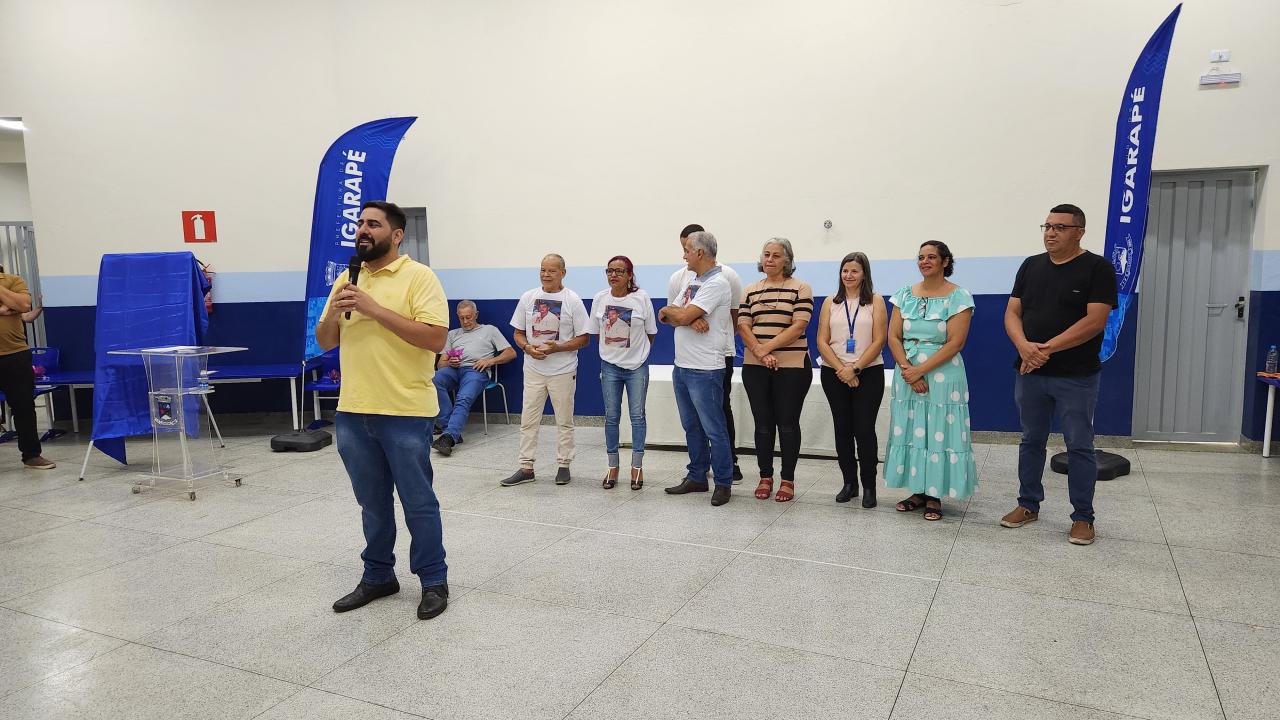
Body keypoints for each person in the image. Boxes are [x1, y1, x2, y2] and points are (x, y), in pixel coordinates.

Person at [316, 200, 450, 620]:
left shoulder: (420, 277)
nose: (362, 229)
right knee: (372, 504)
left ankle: (433, 580)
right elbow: (325, 341)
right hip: (354, 411)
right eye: (360, 223)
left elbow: (436, 339)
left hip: (405, 410)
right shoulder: (347, 278)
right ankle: (378, 576)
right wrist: (334, 312)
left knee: (418, 502)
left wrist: (374, 309)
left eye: (373, 224)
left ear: (396, 235)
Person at [1001, 204, 1117, 546]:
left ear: (1079, 232)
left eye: (1060, 227)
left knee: (1079, 445)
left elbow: (1095, 321)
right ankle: (1028, 504)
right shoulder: (1031, 265)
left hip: (1076, 376)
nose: (1051, 232)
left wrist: (1045, 349)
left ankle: (1083, 517)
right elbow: (1012, 312)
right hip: (1030, 371)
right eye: (1048, 226)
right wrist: (1024, 347)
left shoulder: (1098, 268)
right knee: (1031, 440)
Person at [884, 241, 979, 521]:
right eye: (921, 257)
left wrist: (920, 370)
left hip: (943, 374)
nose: (924, 262)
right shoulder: (904, 294)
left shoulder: (959, 296)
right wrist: (908, 369)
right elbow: (893, 337)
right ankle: (918, 490)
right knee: (913, 430)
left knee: (938, 431)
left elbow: (955, 342)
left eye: (931, 257)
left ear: (945, 261)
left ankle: (934, 495)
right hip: (907, 372)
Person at [660, 231, 736, 506]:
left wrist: (684, 316)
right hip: (682, 366)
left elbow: (679, 313)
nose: (684, 256)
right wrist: (688, 318)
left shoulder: (718, 283)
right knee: (691, 426)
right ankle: (697, 476)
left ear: (700, 253)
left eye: (687, 251)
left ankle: (723, 482)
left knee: (714, 428)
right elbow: (665, 313)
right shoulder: (691, 281)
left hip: (705, 368)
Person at [501, 254, 589, 487]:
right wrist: (526, 347)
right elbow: (518, 333)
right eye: (543, 270)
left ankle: (564, 464)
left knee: (564, 420)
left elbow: (584, 339)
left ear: (563, 273)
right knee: (528, 420)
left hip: (563, 370)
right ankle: (526, 467)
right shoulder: (528, 297)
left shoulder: (573, 300)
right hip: (533, 369)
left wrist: (557, 347)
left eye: (552, 270)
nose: (546, 275)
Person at [737, 239, 814, 503]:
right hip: (755, 367)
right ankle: (765, 476)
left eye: (776, 256)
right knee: (763, 425)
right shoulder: (750, 290)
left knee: (788, 424)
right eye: (766, 255)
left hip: (792, 366)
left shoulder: (800, 288)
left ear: (787, 261)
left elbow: (798, 326)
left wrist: (765, 348)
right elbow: (743, 325)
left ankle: (788, 479)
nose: (769, 259)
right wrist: (760, 353)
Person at [817, 252, 887, 508]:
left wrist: (855, 369)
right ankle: (849, 483)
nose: (849, 275)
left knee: (864, 430)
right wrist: (842, 370)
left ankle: (869, 486)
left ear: (864, 274)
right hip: (834, 372)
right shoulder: (830, 302)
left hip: (868, 372)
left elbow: (879, 340)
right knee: (843, 429)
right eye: (845, 271)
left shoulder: (876, 301)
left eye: (854, 271)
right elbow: (822, 341)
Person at [588, 256, 656, 490]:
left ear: (629, 275)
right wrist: (613, 352)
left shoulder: (641, 297)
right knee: (611, 417)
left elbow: (651, 332)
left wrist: (637, 354)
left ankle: (637, 467)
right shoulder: (600, 298)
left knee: (637, 416)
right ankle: (612, 466)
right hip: (609, 366)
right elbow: (596, 333)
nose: (613, 275)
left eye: (619, 271)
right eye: (610, 271)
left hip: (637, 367)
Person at [430, 300, 516, 456]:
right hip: (454, 370)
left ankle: (448, 436)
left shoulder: (490, 330)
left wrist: (490, 361)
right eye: (461, 318)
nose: (465, 321)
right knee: (433, 380)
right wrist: (449, 362)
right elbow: (441, 364)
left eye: (468, 317)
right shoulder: (452, 334)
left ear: (476, 315)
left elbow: (511, 353)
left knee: (463, 397)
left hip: (476, 370)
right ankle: (449, 429)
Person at [0, 270, 55, 470]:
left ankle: (31, 455)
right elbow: (17, 306)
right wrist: (5, 308)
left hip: (15, 355)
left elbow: (23, 306)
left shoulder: (13, 280)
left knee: (24, 406)